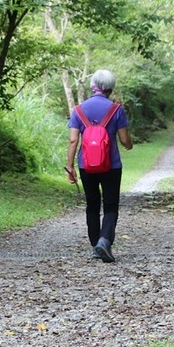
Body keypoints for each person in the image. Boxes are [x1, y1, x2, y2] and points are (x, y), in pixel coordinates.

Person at [64, 69, 133, 263]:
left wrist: (70, 166)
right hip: (111, 166)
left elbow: (73, 141)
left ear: (93, 85)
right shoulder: (116, 109)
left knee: (92, 205)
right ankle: (104, 241)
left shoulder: (78, 110)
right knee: (111, 206)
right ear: (111, 87)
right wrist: (129, 144)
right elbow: (125, 139)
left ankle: (96, 246)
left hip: (87, 165)